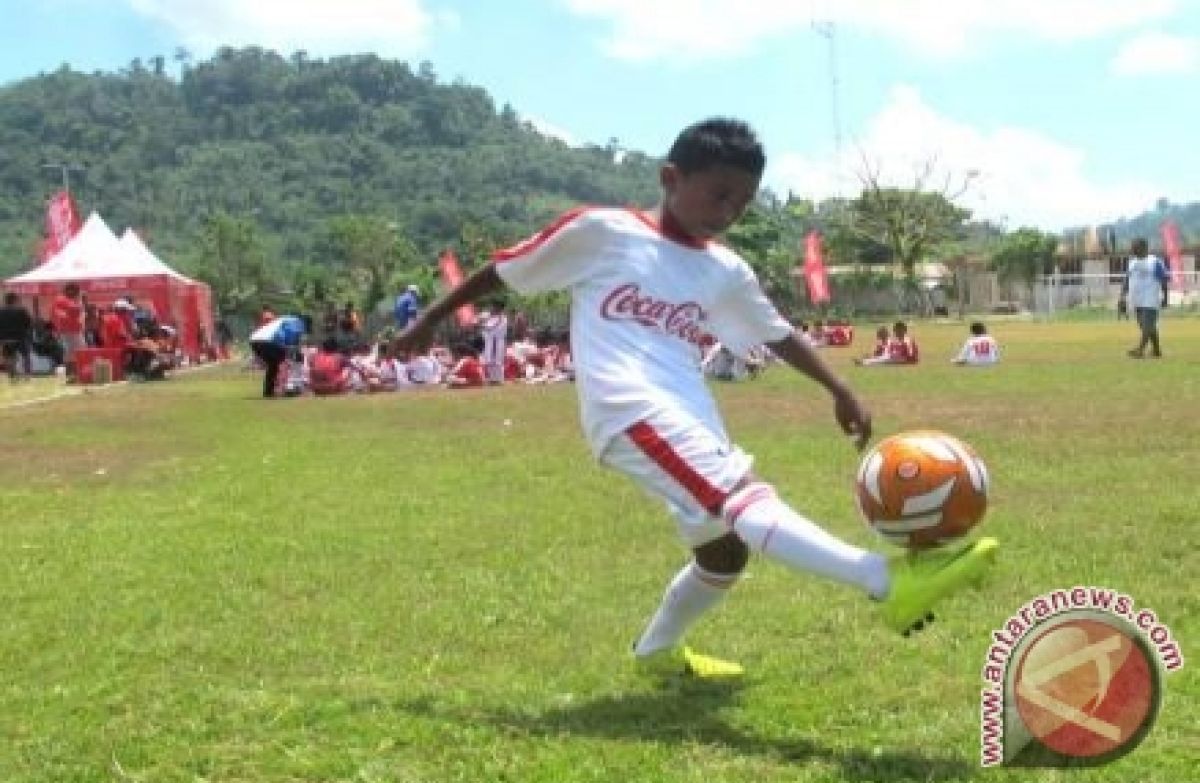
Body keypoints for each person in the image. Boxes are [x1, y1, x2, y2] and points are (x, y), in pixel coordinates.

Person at [395, 117, 997, 679]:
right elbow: (503, 271)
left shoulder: (725, 271)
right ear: (670, 178)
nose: (728, 212)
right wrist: (427, 321)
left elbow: (775, 333)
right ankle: (885, 582)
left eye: (742, 202)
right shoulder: (603, 232)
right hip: (627, 409)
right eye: (718, 194)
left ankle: (656, 652)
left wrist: (838, 388)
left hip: (689, 410)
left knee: (724, 553)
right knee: (739, 496)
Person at [1120, 237, 1169, 358]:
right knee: (1144, 325)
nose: (1132, 249)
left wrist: (1165, 297)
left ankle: (1140, 350)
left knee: (1147, 324)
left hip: (1151, 299)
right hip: (1137, 299)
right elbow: (1127, 280)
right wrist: (1122, 296)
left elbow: (1163, 280)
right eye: (1132, 247)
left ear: (1144, 248)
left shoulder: (1154, 262)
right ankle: (1156, 350)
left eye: (1135, 247)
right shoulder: (1132, 263)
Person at [249, 313, 307, 397]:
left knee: (273, 366)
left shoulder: (283, 319)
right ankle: (288, 386)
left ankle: (269, 391)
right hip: (269, 342)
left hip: (254, 341)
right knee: (283, 363)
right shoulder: (297, 323)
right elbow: (292, 341)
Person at [51, 282, 85, 376]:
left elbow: (79, 312)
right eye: (76, 291)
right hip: (68, 331)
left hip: (74, 331)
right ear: (69, 290)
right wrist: (79, 302)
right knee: (71, 354)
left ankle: (75, 373)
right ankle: (71, 374)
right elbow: (75, 311)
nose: (77, 293)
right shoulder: (61, 299)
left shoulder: (70, 300)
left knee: (77, 352)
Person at [0, 292, 34, 381]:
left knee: (9, 357)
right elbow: (29, 323)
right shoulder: (21, 310)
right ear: (14, 300)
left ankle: (12, 375)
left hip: (5, 338)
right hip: (20, 337)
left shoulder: (1, 311)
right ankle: (27, 375)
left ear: (5, 300)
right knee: (25, 356)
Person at [480, 299, 509, 384]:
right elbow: (485, 329)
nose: (491, 308)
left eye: (493, 307)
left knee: (496, 361)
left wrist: (482, 324)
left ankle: (499, 379)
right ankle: (493, 379)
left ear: (498, 308)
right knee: (489, 361)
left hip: (496, 341)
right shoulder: (491, 318)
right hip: (490, 342)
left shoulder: (501, 318)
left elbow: (490, 328)